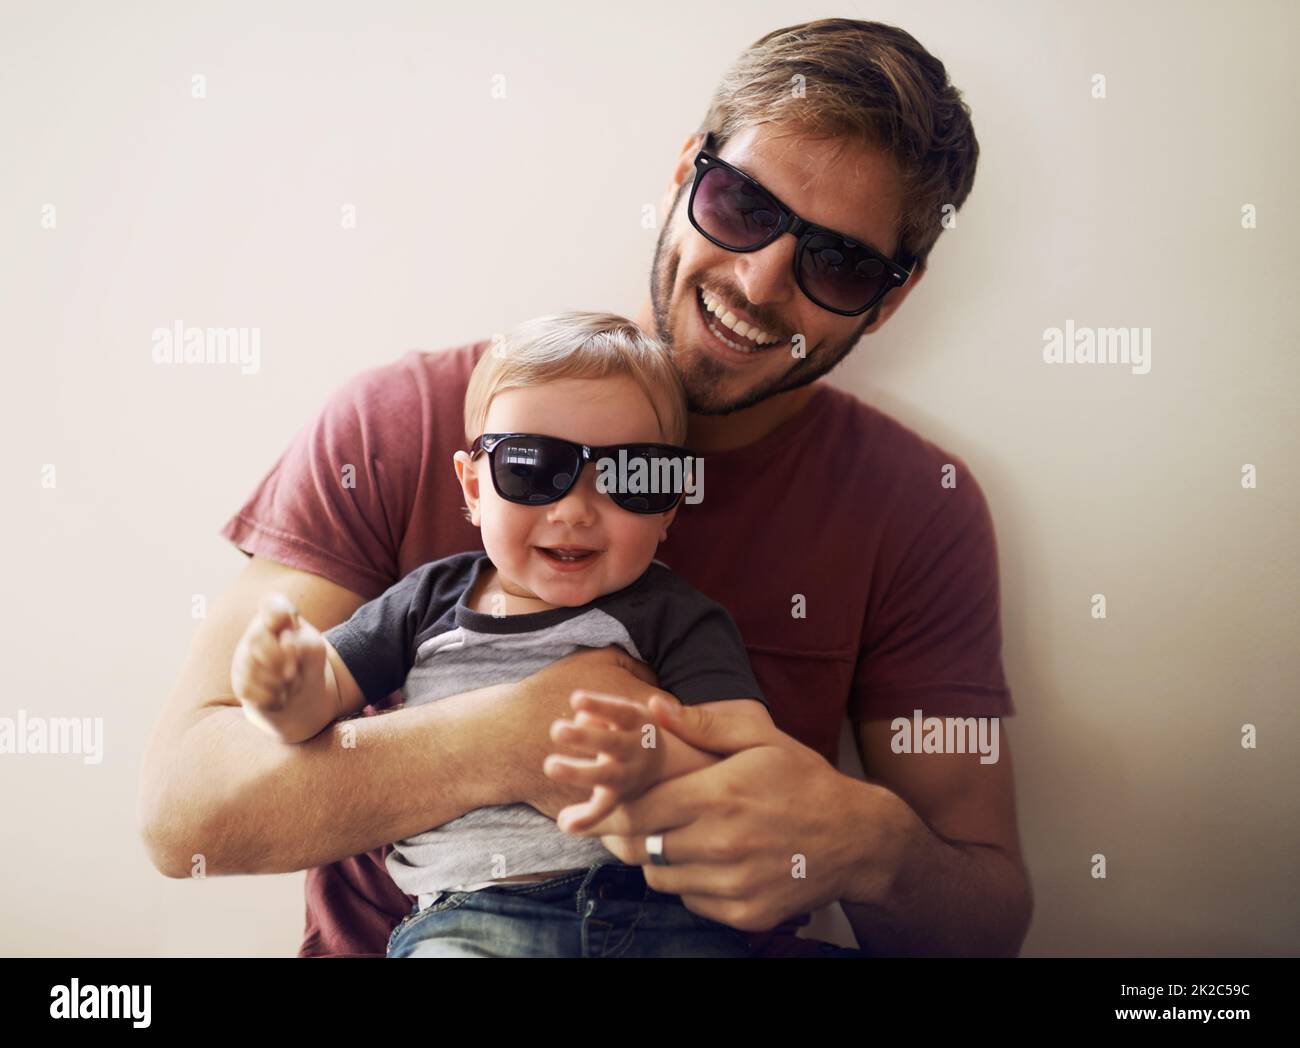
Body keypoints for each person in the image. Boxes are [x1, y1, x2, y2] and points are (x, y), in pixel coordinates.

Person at [141, 17, 1032, 958]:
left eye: (841, 262)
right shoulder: (401, 419)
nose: (761, 279)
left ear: (891, 297)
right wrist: (521, 731)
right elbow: (186, 809)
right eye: (743, 205)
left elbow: (981, 921)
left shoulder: (913, 506)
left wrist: (874, 850)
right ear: (686, 174)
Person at [230, 312, 779, 957]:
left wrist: (663, 763)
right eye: (531, 467)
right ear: (472, 486)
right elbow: (314, 709)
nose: (575, 508)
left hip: (660, 919)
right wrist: (283, 687)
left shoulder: (676, 616)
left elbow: (755, 772)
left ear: (669, 506)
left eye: (629, 474)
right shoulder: (425, 603)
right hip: (471, 921)